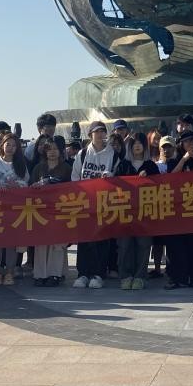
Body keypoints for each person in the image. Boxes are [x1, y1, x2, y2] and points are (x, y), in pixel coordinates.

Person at [72, 122, 117, 289]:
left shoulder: (113, 154)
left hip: (104, 204)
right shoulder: (83, 153)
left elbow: (119, 177)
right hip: (85, 203)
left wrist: (111, 177)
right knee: (84, 240)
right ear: (90, 134)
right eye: (96, 132)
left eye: (102, 131)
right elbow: (75, 177)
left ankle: (98, 274)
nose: (99, 134)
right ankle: (83, 274)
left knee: (101, 240)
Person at [112, 133, 158, 290]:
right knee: (124, 245)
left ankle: (140, 276)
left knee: (143, 245)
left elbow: (161, 188)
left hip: (145, 213)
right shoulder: (123, 165)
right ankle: (125, 276)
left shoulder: (151, 166)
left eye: (140, 143)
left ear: (145, 146)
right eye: (134, 144)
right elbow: (114, 186)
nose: (137, 146)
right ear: (129, 147)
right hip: (125, 212)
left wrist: (148, 179)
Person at [163, 130, 193, 289]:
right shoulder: (173, 160)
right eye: (187, 141)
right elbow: (171, 176)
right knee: (176, 245)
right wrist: (184, 159)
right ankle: (177, 277)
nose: (191, 143)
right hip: (177, 208)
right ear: (181, 144)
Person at [0, 132, 29, 285]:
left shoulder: (21, 163)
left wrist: (16, 186)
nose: (10, 148)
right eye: (8, 144)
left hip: (14, 206)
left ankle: (10, 272)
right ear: (2, 145)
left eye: (14, 145)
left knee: (11, 241)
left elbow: (26, 182)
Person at [29, 139, 70, 286]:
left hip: (60, 209)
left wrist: (52, 183)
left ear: (61, 151)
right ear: (45, 151)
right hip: (42, 210)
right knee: (41, 243)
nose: (52, 152)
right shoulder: (38, 168)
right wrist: (36, 186)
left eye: (55, 149)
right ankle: (40, 274)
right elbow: (30, 188)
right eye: (49, 149)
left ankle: (55, 274)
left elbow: (72, 188)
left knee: (57, 244)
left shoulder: (66, 168)